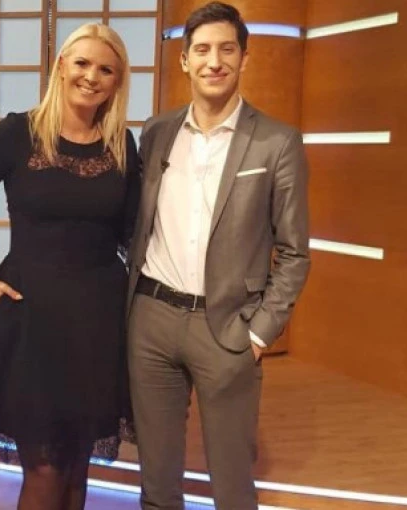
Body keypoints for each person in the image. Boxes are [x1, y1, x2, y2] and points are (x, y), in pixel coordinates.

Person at [0, 23, 140, 510]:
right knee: (46, 469)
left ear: (117, 82)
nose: (91, 76)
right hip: (32, 319)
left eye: (106, 69)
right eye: (82, 63)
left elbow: (133, 231)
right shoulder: (17, 133)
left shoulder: (121, 143)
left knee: (76, 468)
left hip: (97, 321)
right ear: (61, 66)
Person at [126, 2, 311, 509]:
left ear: (243, 58)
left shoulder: (277, 141)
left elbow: (295, 251)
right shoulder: (157, 132)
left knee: (232, 487)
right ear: (184, 60)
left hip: (229, 328)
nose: (214, 61)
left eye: (226, 49)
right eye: (202, 50)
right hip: (152, 320)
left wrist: (259, 334)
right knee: (157, 485)